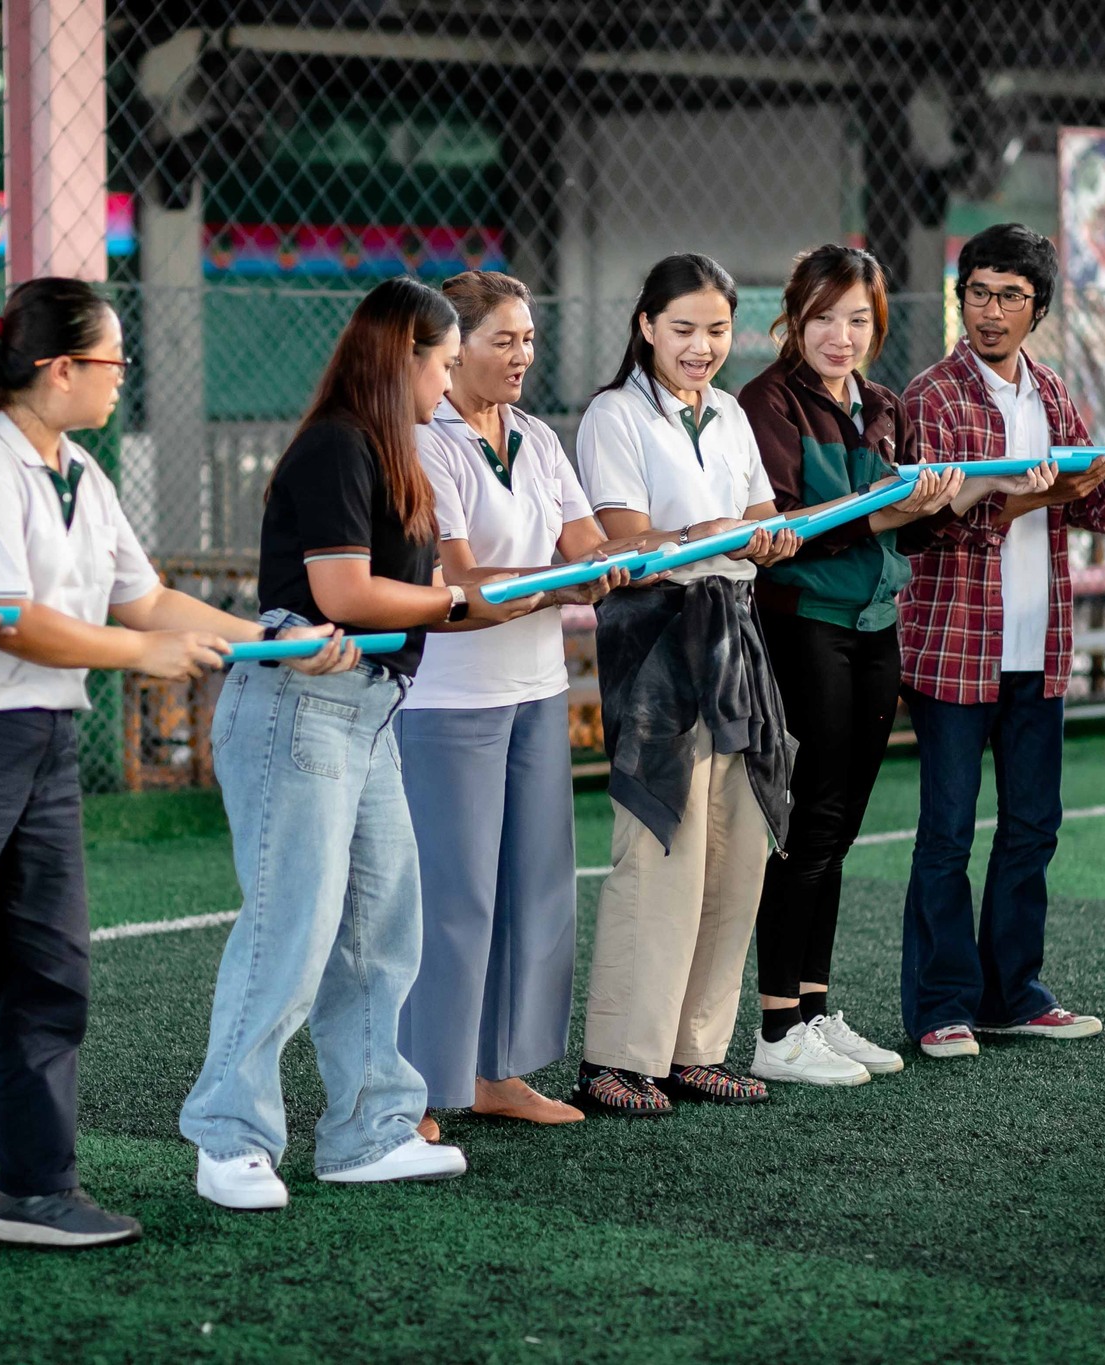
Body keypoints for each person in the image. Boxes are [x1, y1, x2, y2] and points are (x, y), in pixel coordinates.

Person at [0, 277, 357, 1278]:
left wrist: (273, 642)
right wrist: (137, 658)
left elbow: (146, 595)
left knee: (51, 973)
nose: (123, 377)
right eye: (113, 362)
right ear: (59, 368)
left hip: (36, 736)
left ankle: (34, 1190)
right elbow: (12, 616)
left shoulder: (78, 469)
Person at [180, 277, 544, 1209]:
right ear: (406, 357)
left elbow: (422, 602)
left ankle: (370, 1129)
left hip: (368, 707)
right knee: (292, 930)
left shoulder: (396, 451)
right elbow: (344, 594)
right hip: (298, 705)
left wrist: (499, 595)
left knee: (383, 929)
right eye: (444, 357)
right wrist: (464, 600)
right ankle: (229, 1137)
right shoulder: (336, 447)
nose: (454, 373)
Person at [898, 224, 1105, 1061]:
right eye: (979, 293)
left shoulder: (1051, 391)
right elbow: (937, 523)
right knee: (947, 831)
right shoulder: (932, 396)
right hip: (955, 647)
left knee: (1032, 827)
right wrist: (1034, 496)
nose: (991, 311)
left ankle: (1012, 994)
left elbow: (1089, 503)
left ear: (1039, 309)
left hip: (1040, 647)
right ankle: (939, 1005)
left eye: (1010, 297)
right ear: (961, 300)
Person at [739, 244, 995, 1085]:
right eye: (824, 318)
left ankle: (814, 1007)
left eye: (858, 319)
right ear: (794, 318)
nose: (841, 336)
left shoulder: (884, 403)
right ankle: (777, 1028)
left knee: (840, 824)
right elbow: (784, 526)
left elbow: (913, 527)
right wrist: (892, 514)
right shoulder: (766, 400)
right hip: (804, 620)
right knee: (809, 823)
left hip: (877, 624)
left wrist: (949, 499)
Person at [396, 270, 643, 1127]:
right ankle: (423, 1085)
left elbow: (588, 547)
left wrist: (642, 555)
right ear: (453, 347)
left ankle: (497, 1072)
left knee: (535, 888)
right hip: (447, 701)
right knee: (452, 896)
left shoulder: (537, 435)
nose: (522, 356)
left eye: (529, 340)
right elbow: (459, 579)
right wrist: (563, 583)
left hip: (538, 686)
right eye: (505, 340)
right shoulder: (424, 440)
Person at [571, 252, 802, 1117]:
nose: (701, 347)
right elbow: (630, 541)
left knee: (734, 851)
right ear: (645, 327)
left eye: (716, 330)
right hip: (659, 640)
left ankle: (694, 1051)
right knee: (659, 846)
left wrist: (766, 537)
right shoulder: (613, 416)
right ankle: (615, 1058)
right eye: (683, 330)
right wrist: (724, 533)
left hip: (736, 635)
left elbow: (759, 519)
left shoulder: (734, 414)